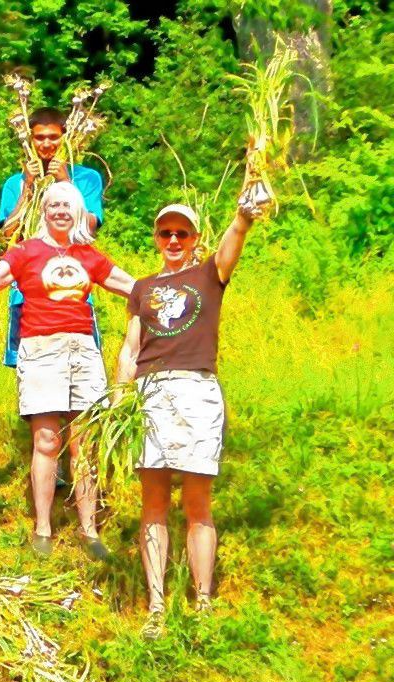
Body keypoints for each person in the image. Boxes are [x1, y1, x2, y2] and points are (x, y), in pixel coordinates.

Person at [116, 195, 261, 641]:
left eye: (182, 233)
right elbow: (131, 346)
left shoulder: (209, 273)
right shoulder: (143, 287)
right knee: (153, 503)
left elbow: (233, 241)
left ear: (196, 239)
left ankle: (202, 602)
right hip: (151, 393)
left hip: (197, 391)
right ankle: (157, 605)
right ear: (157, 239)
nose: (174, 240)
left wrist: (243, 215)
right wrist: (121, 399)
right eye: (166, 233)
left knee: (198, 503)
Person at [0, 182, 135, 559]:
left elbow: (131, 286)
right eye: (53, 204)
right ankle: (43, 530)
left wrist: (176, 284)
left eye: (67, 204)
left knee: (85, 442)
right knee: (46, 440)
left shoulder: (88, 254)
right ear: (43, 211)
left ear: (78, 212)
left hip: (82, 350)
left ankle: (89, 530)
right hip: (41, 350)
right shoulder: (24, 252)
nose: (60, 210)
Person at [0, 107, 106, 369]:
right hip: (26, 294)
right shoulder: (16, 183)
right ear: (30, 140)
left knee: (82, 368)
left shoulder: (87, 178)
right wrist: (30, 187)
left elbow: (89, 228)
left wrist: (65, 182)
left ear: (66, 138)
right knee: (31, 369)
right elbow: (8, 233)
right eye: (40, 137)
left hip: (74, 288)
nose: (47, 144)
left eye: (54, 137)